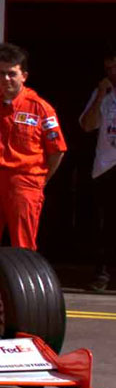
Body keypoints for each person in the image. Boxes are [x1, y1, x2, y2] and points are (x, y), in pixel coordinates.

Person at [0, 43, 66, 260]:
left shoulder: (40, 108)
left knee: (23, 246)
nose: (7, 79)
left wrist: (40, 181)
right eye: (2, 73)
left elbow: (57, 151)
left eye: (12, 74)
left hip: (25, 182)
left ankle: (25, 292)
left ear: (24, 76)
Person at [80, 46, 116, 290]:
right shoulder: (102, 93)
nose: (112, 72)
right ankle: (102, 273)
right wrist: (102, 94)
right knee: (104, 223)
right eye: (109, 68)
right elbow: (86, 125)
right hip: (106, 166)